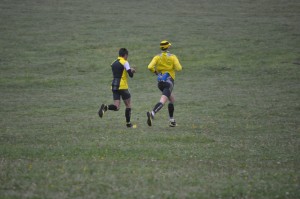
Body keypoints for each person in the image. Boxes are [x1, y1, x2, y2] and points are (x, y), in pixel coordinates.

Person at [146, 40, 182, 127]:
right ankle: (152, 113)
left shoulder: (157, 57)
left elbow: (150, 67)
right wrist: (171, 67)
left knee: (172, 100)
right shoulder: (172, 57)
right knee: (163, 101)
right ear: (168, 47)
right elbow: (179, 68)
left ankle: (172, 121)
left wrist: (155, 72)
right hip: (169, 83)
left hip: (160, 83)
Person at [98, 48, 136, 128]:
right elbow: (130, 75)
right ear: (125, 55)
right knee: (128, 105)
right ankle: (128, 124)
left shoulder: (113, 63)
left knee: (117, 107)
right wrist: (132, 70)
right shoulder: (125, 62)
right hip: (122, 86)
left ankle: (106, 107)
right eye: (127, 56)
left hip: (114, 86)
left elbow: (118, 71)